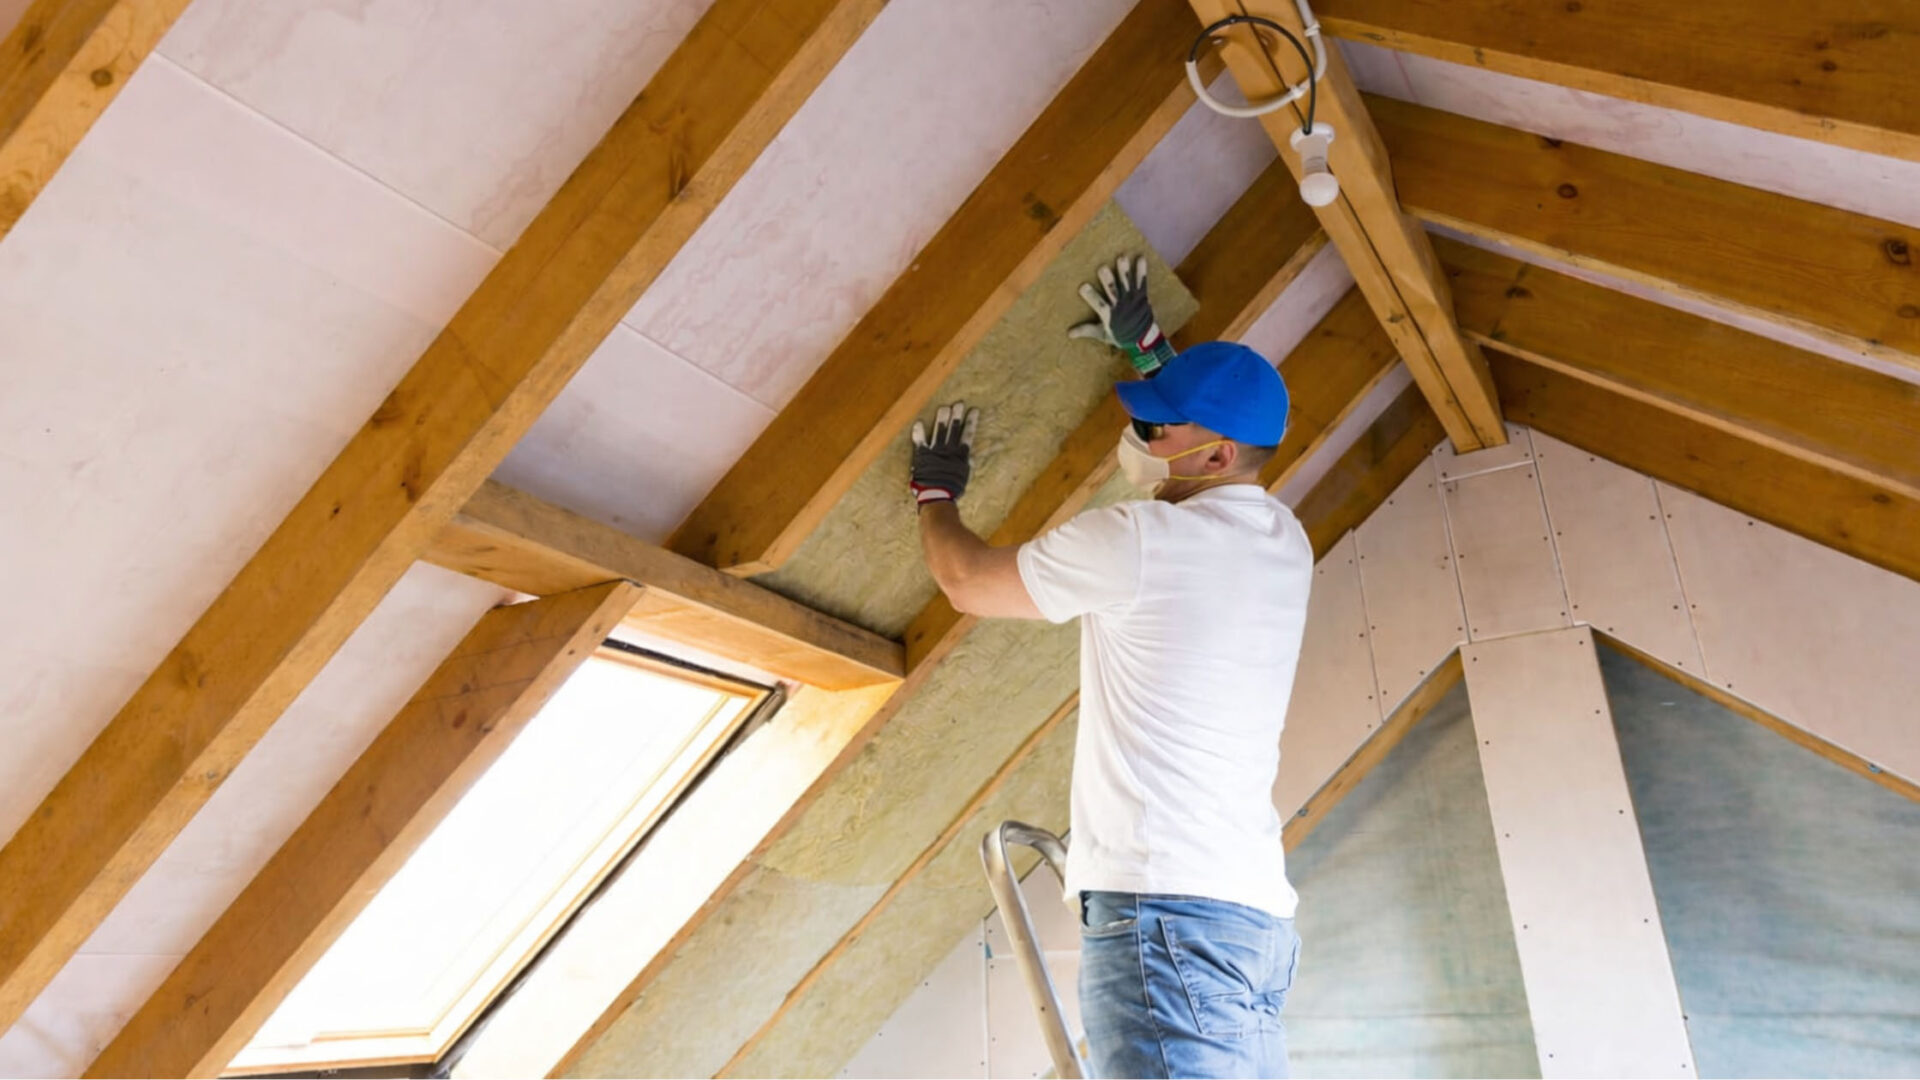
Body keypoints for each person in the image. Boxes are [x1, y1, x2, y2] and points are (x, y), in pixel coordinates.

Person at [909, 255, 1313, 1079]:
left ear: (1216, 457)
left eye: (1157, 429)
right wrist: (1155, 357)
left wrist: (934, 496)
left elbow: (966, 582)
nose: (1139, 439)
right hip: (1249, 920)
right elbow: (1208, 442)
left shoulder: (1139, 542)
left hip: (1167, 920)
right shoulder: (1285, 541)